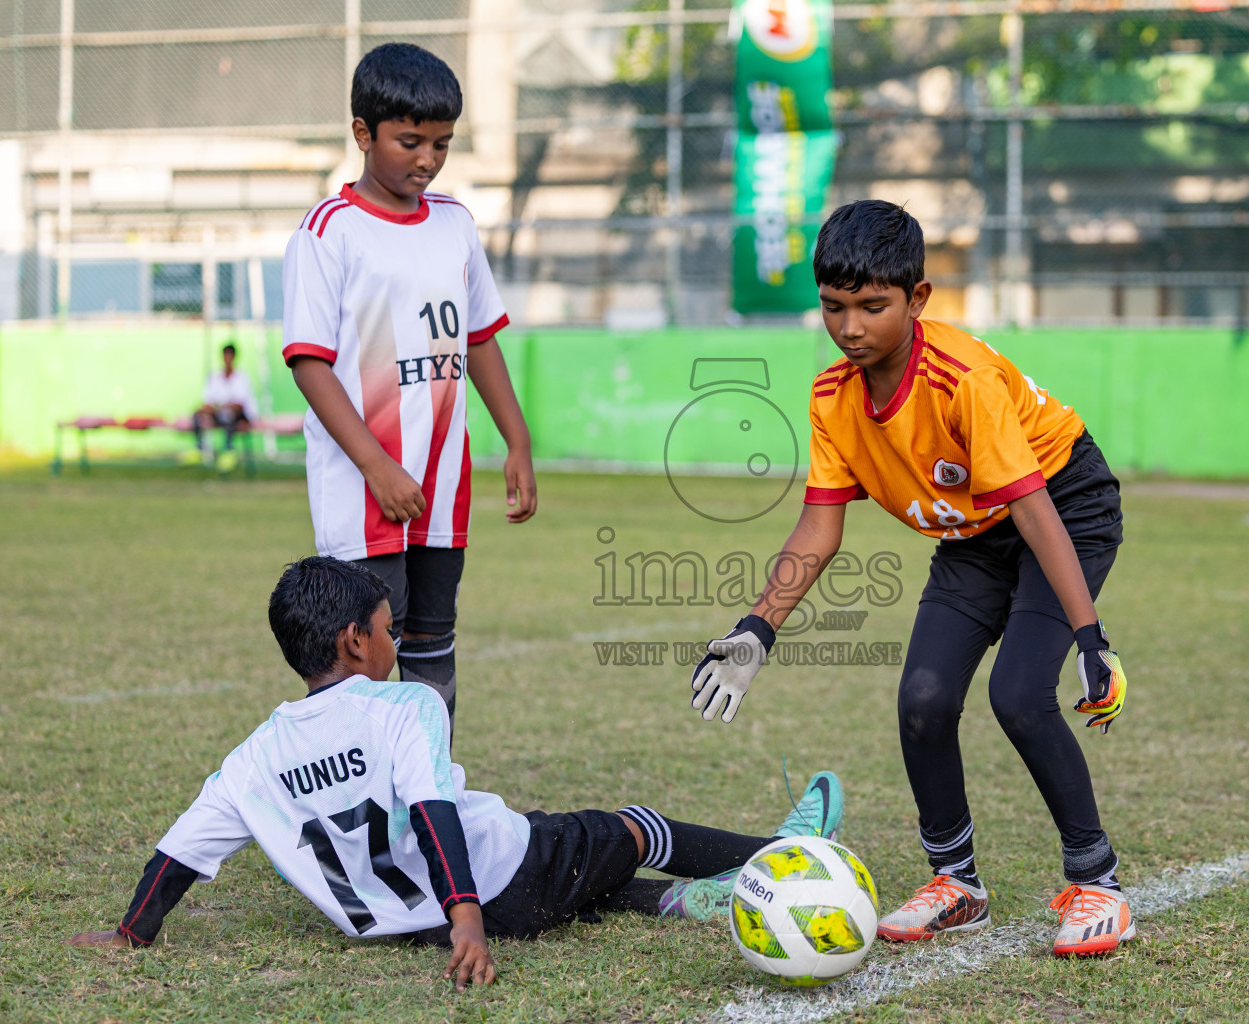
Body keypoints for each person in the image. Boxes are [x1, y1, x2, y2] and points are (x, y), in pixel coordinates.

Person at [686, 200, 1134, 958]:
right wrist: (756, 627)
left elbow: (1032, 508)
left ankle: (1099, 883)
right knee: (923, 697)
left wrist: (1090, 637)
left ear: (918, 299)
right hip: (972, 534)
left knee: (1019, 695)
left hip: (1062, 507)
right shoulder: (833, 396)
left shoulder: (962, 379)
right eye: (833, 307)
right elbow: (819, 529)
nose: (850, 327)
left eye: (872, 306)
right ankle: (956, 883)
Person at [66, 557, 846, 988]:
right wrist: (469, 916)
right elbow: (435, 811)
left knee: (552, 844)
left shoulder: (253, 757)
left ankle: (680, 899)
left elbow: (177, 858)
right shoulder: (405, 704)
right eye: (384, 629)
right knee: (629, 829)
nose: (393, 641)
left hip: (406, 920)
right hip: (492, 889)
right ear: (352, 643)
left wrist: (133, 933)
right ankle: (776, 851)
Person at [282, 43, 536, 737]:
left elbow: (478, 336)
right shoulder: (328, 232)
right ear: (363, 134)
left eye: (443, 144)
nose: (426, 159)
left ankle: (430, 798)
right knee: (363, 649)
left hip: (439, 481)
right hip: (363, 485)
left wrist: (517, 439)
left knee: (433, 641)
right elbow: (310, 364)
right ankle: (354, 806)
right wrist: (375, 466)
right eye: (409, 141)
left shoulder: (454, 223)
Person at [192, 342, 257, 470]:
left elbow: (239, 405)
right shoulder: (214, 377)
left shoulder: (241, 377)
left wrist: (220, 408)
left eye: (230, 356)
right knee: (197, 415)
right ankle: (198, 450)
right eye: (225, 356)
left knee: (228, 415)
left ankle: (228, 451)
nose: (227, 359)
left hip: (238, 416)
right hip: (219, 414)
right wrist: (209, 409)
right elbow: (208, 401)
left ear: (234, 357)